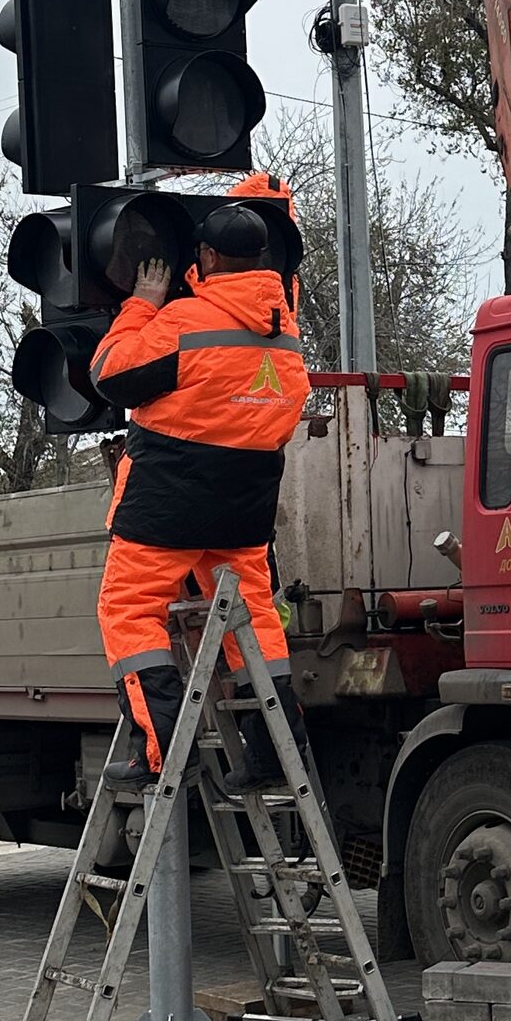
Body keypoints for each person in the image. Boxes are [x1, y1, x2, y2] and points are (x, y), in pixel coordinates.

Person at [89, 202, 310, 793]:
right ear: (262, 260)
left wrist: (142, 303)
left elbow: (110, 372)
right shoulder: (285, 335)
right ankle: (274, 756)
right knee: (255, 621)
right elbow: (284, 417)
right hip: (243, 511)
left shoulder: (184, 321)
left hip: (165, 506)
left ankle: (159, 754)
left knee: (129, 611)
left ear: (206, 259)